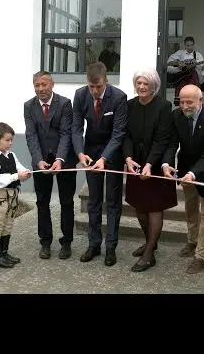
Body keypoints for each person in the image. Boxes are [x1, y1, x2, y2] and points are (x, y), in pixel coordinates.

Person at [162, 84, 204, 274]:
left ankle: (201, 256)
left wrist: (194, 173)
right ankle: (192, 241)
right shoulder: (176, 116)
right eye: (182, 102)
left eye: (190, 102)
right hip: (185, 170)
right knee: (190, 209)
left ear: (200, 100)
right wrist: (166, 163)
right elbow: (172, 143)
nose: (185, 106)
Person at [72, 62, 127, 266]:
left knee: (112, 201)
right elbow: (76, 128)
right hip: (90, 151)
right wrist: (80, 153)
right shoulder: (80, 95)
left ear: (106, 81)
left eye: (99, 87)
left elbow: (119, 132)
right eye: (91, 87)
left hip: (113, 152)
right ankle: (94, 244)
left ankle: (110, 247)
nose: (95, 91)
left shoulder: (119, 97)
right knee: (94, 200)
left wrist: (104, 158)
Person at [123, 68, 177, 272]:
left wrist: (149, 164)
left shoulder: (164, 106)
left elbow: (162, 139)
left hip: (155, 163)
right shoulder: (129, 105)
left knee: (154, 207)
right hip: (134, 163)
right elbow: (126, 135)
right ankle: (150, 242)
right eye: (139, 82)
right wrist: (128, 158)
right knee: (139, 206)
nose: (141, 86)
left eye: (146, 83)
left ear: (153, 85)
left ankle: (149, 254)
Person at [24, 71, 78, 260]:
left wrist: (60, 159)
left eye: (44, 85)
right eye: (37, 85)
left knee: (66, 202)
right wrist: (38, 159)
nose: (40, 89)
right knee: (42, 202)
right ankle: (45, 241)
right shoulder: (29, 106)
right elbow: (31, 135)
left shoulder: (64, 104)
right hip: (41, 161)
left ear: (52, 84)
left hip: (64, 160)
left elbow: (66, 134)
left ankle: (67, 242)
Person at [0, 122, 32, 268]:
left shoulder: (11, 155)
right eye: (7, 140)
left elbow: (19, 167)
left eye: (11, 140)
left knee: (8, 224)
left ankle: (4, 253)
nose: (10, 143)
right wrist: (16, 176)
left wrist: (25, 172)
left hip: (12, 195)